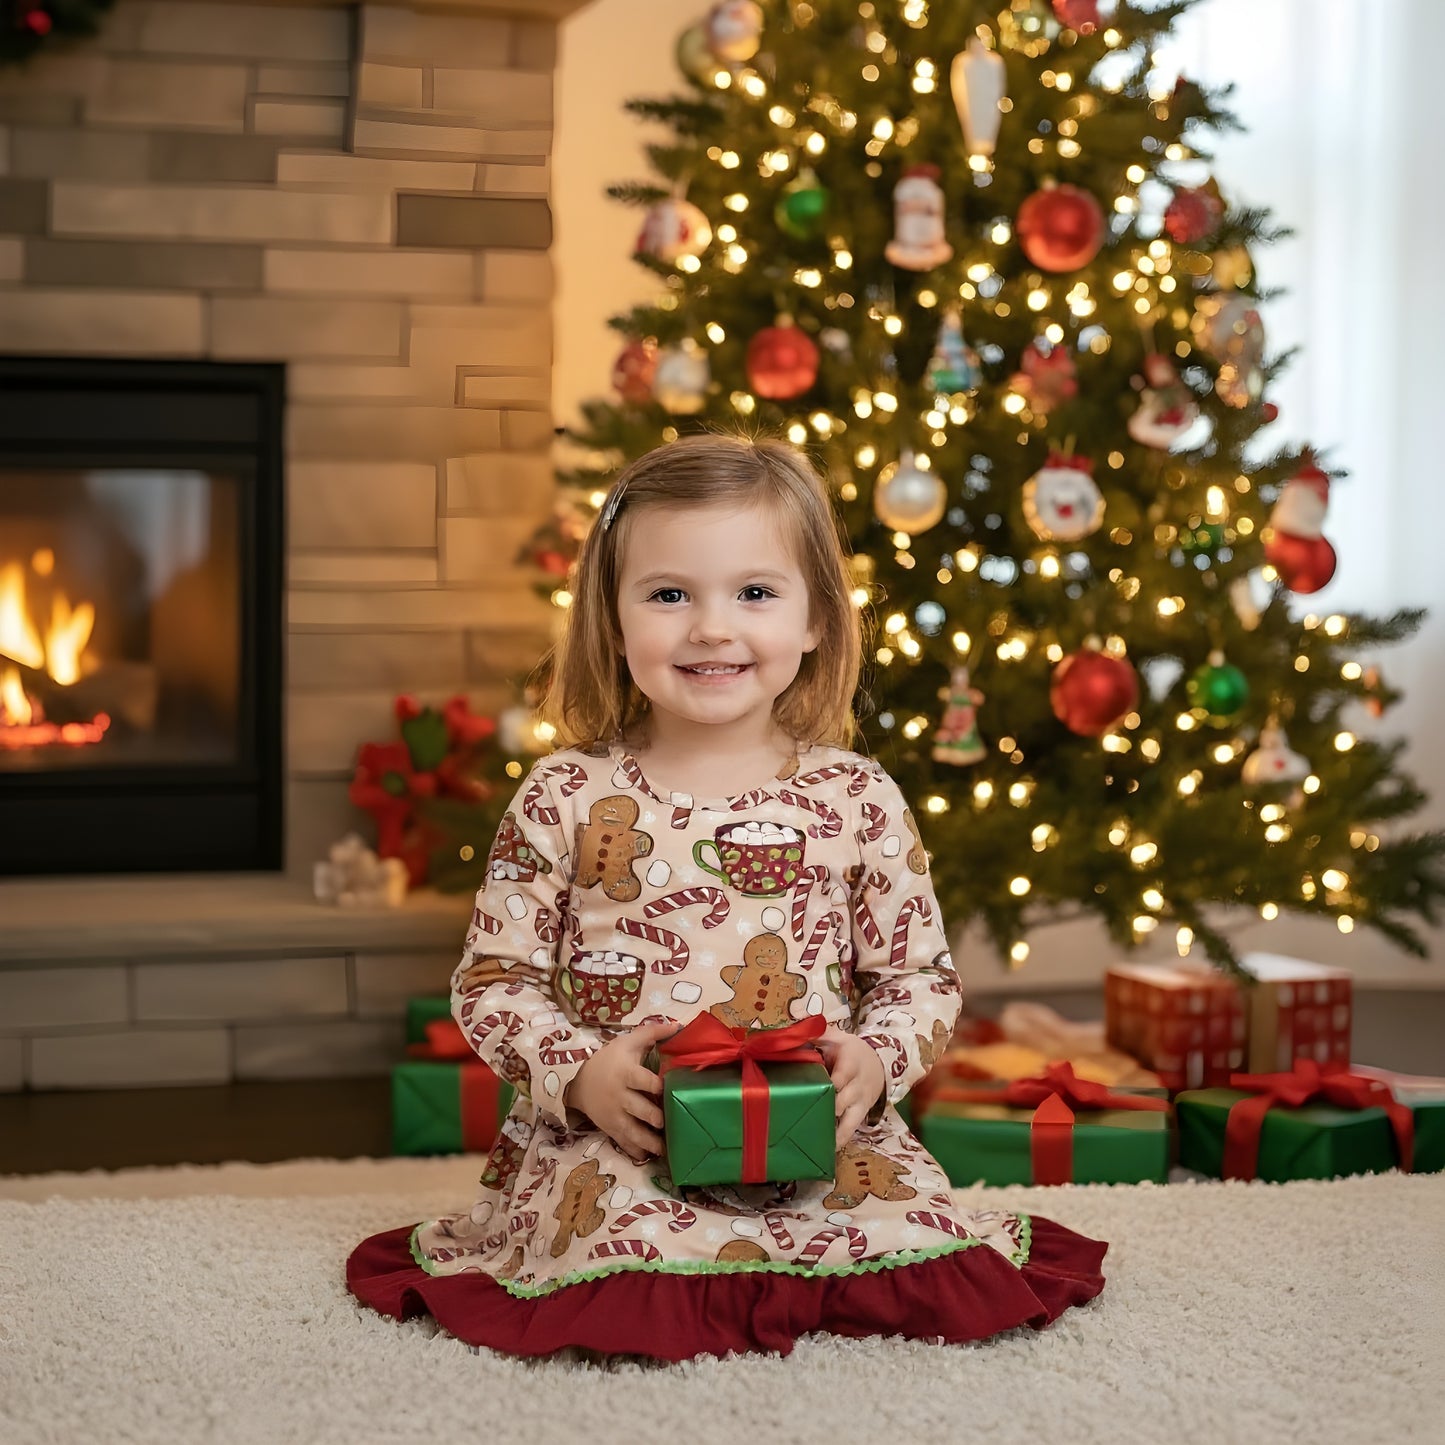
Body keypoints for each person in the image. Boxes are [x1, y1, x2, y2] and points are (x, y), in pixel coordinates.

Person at [347, 434, 1107, 1359]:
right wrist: (580, 1078)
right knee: (615, 1250)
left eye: (754, 593)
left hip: (819, 1135)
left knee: (913, 1246)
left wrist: (874, 1062)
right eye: (669, 594)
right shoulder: (564, 793)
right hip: (623, 1137)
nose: (711, 627)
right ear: (613, 622)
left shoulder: (856, 795)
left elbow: (918, 977)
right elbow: (494, 981)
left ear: (816, 618)